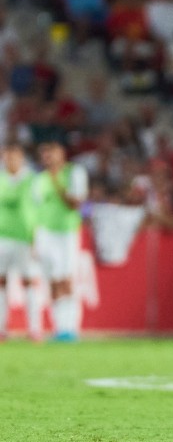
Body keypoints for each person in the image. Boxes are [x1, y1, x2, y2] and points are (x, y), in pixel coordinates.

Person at [31, 140, 88, 341]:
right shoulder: (39, 179)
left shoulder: (75, 173)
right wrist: (33, 239)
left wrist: (57, 182)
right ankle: (59, 328)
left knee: (66, 279)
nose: (48, 157)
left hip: (66, 232)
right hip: (45, 233)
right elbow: (35, 210)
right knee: (52, 281)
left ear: (62, 153)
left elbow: (74, 203)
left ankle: (71, 327)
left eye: (52, 152)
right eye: (45, 154)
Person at [0, 144, 39, 340]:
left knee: (29, 282)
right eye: (7, 157)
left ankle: (34, 328)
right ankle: (1, 328)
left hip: (24, 237)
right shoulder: (1, 178)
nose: (10, 161)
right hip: (2, 236)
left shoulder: (32, 180)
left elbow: (39, 209)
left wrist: (36, 236)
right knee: (1, 282)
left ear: (22, 158)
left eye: (14, 157)